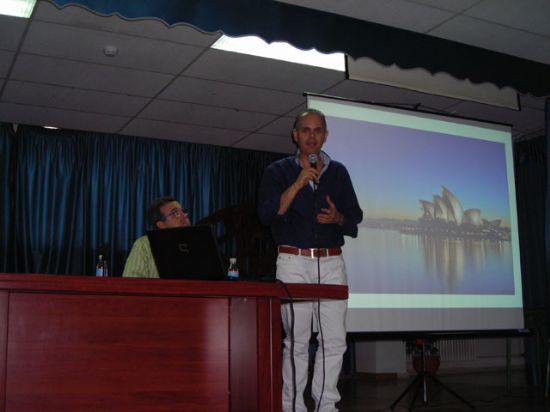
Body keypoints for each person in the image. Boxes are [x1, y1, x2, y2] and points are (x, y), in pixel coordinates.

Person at [258, 109, 363, 412]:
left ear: (326, 136)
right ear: (295, 135)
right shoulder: (277, 172)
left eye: (318, 130)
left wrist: (338, 217)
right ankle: (293, 407)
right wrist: (298, 183)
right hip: (293, 262)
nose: (312, 136)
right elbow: (266, 214)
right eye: (306, 130)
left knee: (335, 340)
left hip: (332, 263)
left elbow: (354, 218)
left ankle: (326, 405)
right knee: (297, 341)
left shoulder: (339, 172)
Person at [123, 196, 190, 278]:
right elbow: (131, 284)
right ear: (160, 224)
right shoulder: (144, 245)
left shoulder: (200, 242)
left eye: (183, 211)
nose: (185, 215)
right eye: (175, 213)